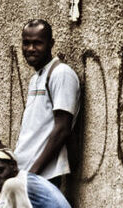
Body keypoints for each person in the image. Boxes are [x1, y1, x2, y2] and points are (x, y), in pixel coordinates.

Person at [14, 19, 80, 187]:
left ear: (51, 43)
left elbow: (62, 129)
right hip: (25, 173)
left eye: (37, 43)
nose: (30, 49)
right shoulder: (36, 78)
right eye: (26, 43)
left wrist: (33, 174)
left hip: (43, 176)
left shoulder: (61, 73)